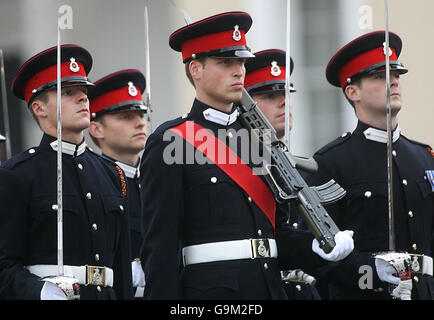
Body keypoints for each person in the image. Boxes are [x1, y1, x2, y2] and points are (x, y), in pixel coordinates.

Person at [139, 11, 354, 300]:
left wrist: (313, 246)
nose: (239, 70)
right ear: (196, 70)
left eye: (241, 61)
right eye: (226, 62)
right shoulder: (171, 141)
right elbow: (160, 247)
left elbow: (279, 237)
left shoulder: (260, 140)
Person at [306, 30, 434, 299]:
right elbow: (320, 251)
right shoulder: (330, 162)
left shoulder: (423, 157)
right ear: (353, 92)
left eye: (397, 75)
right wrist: (372, 273)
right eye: (380, 77)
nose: (394, 83)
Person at [0, 45, 132, 300]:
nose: (83, 98)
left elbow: (121, 271)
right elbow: (4, 266)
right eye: (69, 92)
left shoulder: (112, 174)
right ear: (39, 108)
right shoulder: (17, 175)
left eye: (84, 91)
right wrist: (40, 291)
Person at [244, 49, 321, 300]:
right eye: (270, 95)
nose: (284, 102)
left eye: (286, 93)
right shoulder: (243, 168)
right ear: (248, 105)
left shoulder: (306, 168)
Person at [88, 69, 148, 298]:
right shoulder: (92, 184)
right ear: (96, 128)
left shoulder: (156, 179)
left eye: (141, 115)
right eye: (126, 117)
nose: (140, 123)